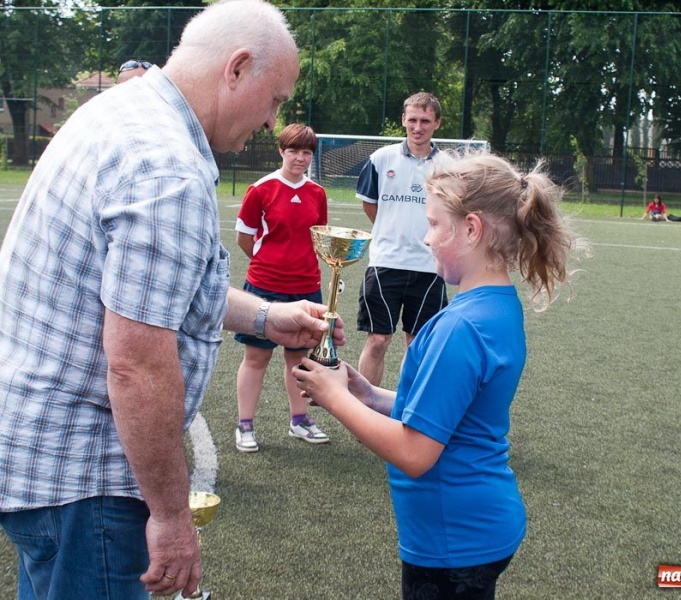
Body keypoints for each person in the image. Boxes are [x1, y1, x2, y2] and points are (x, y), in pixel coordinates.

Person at [0, 2, 344, 599]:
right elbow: (136, 365)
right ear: (237, 68)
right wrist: (169, 514)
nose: (273, 121)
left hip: (42, 459)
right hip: (87, 477)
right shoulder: (165, 168)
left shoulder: (119, 112)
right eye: (275, 99)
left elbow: (159, 294)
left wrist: (267, 316)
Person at [294, 153, 589, 599]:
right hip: (476, 527)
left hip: (455, 542)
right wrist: (367, 394)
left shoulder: (460, 327)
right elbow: (448, 415)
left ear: (471, 229)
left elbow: (415, 452)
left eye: (433, 224)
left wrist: (335, 399)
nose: (426, 238)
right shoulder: (495, 304)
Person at [233, 123, 330, 452]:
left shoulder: (317, 193)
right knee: (256, 357)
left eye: (306, 152)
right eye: (293, 151)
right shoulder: (261, 189)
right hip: (265, 287)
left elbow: (319, 238)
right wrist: (269, 264)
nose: (300, 158)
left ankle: (299, 420)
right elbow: (244, 238)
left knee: (298, 359)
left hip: (306, 288)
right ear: (281, 151)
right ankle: (245, 425)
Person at [355, 91, 448, 386]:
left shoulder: (448, 166)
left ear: (437, 123)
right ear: (403, 120)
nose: (418, 127)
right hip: (386, 263)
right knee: (378, 340)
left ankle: (407, 407)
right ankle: (364, 406)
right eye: (413, 120)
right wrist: (391, 229)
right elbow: (370, 204)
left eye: (425, 121)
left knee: (417, 343)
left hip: (429, 267)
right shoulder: (381, 159)